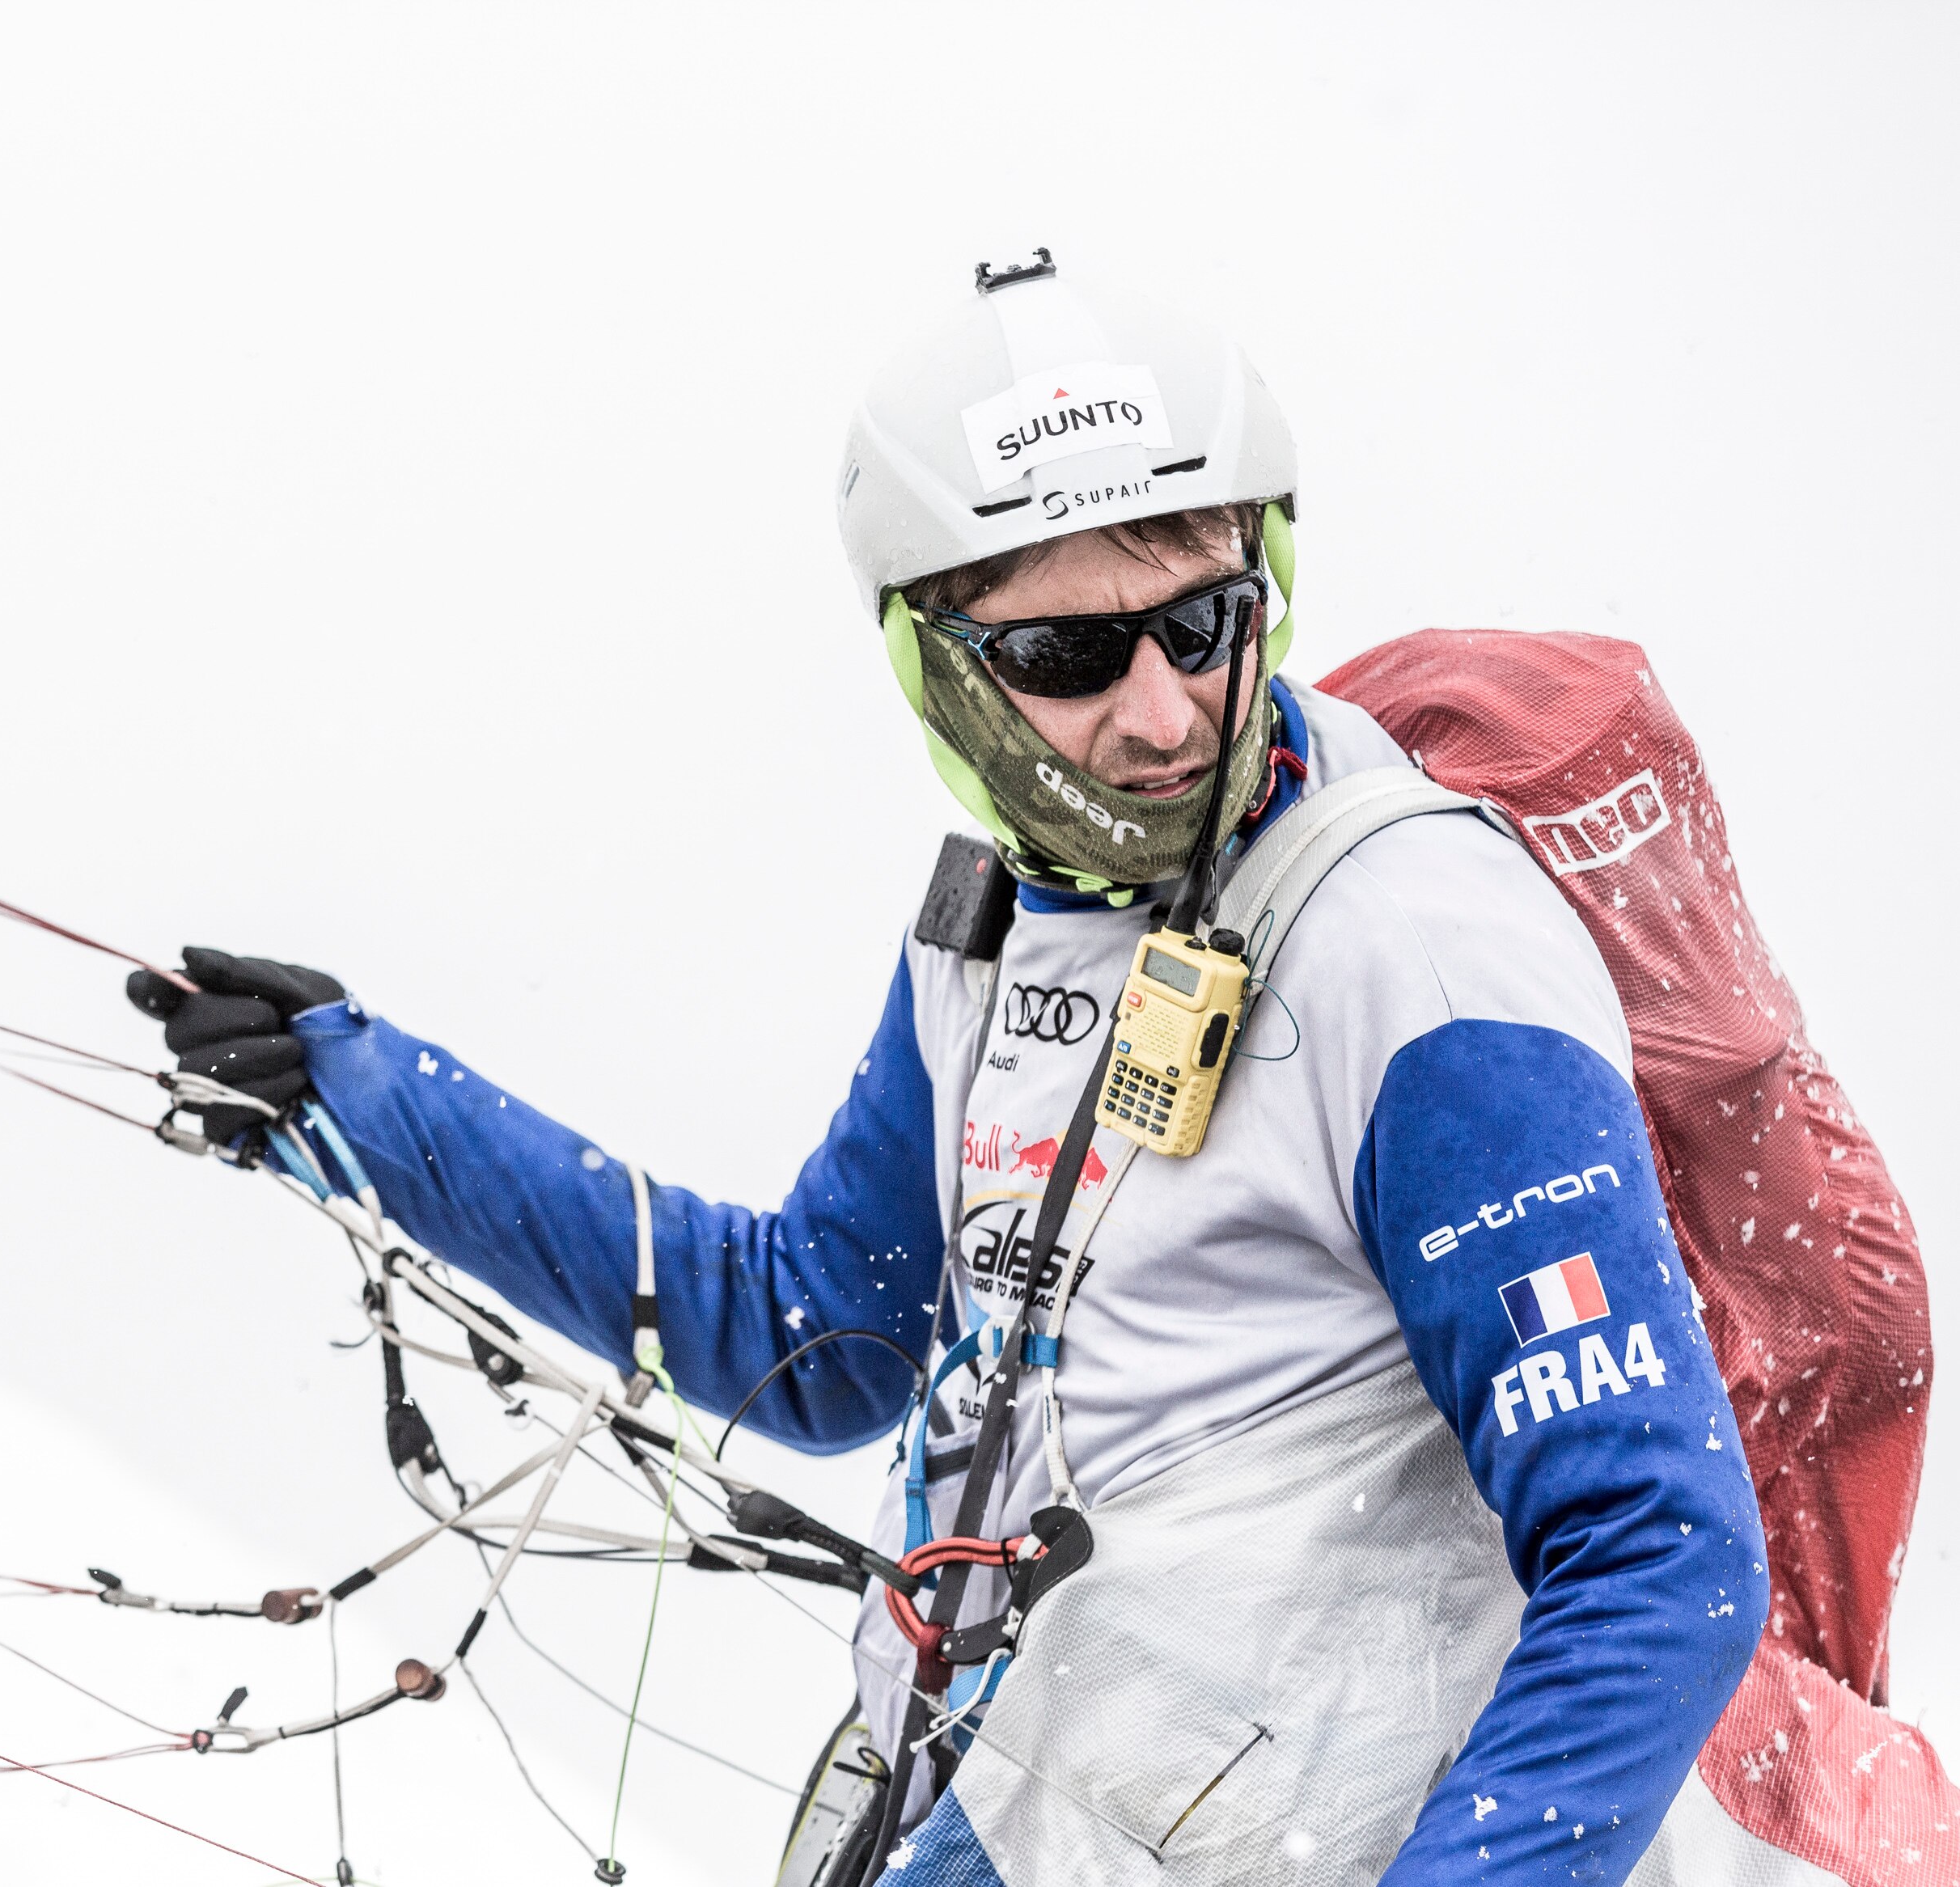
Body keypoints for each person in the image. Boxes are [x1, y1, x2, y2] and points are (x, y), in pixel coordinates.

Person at [129, 255, 1767, 1884]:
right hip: (1016, 1807)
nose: (1160, 711)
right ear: (936, 660)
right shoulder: (991, 932)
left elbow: (1657, 1557)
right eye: (1065, 660)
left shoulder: (1417, 952)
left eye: (1200, 625)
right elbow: (815, 1334)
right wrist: (363, 1101)